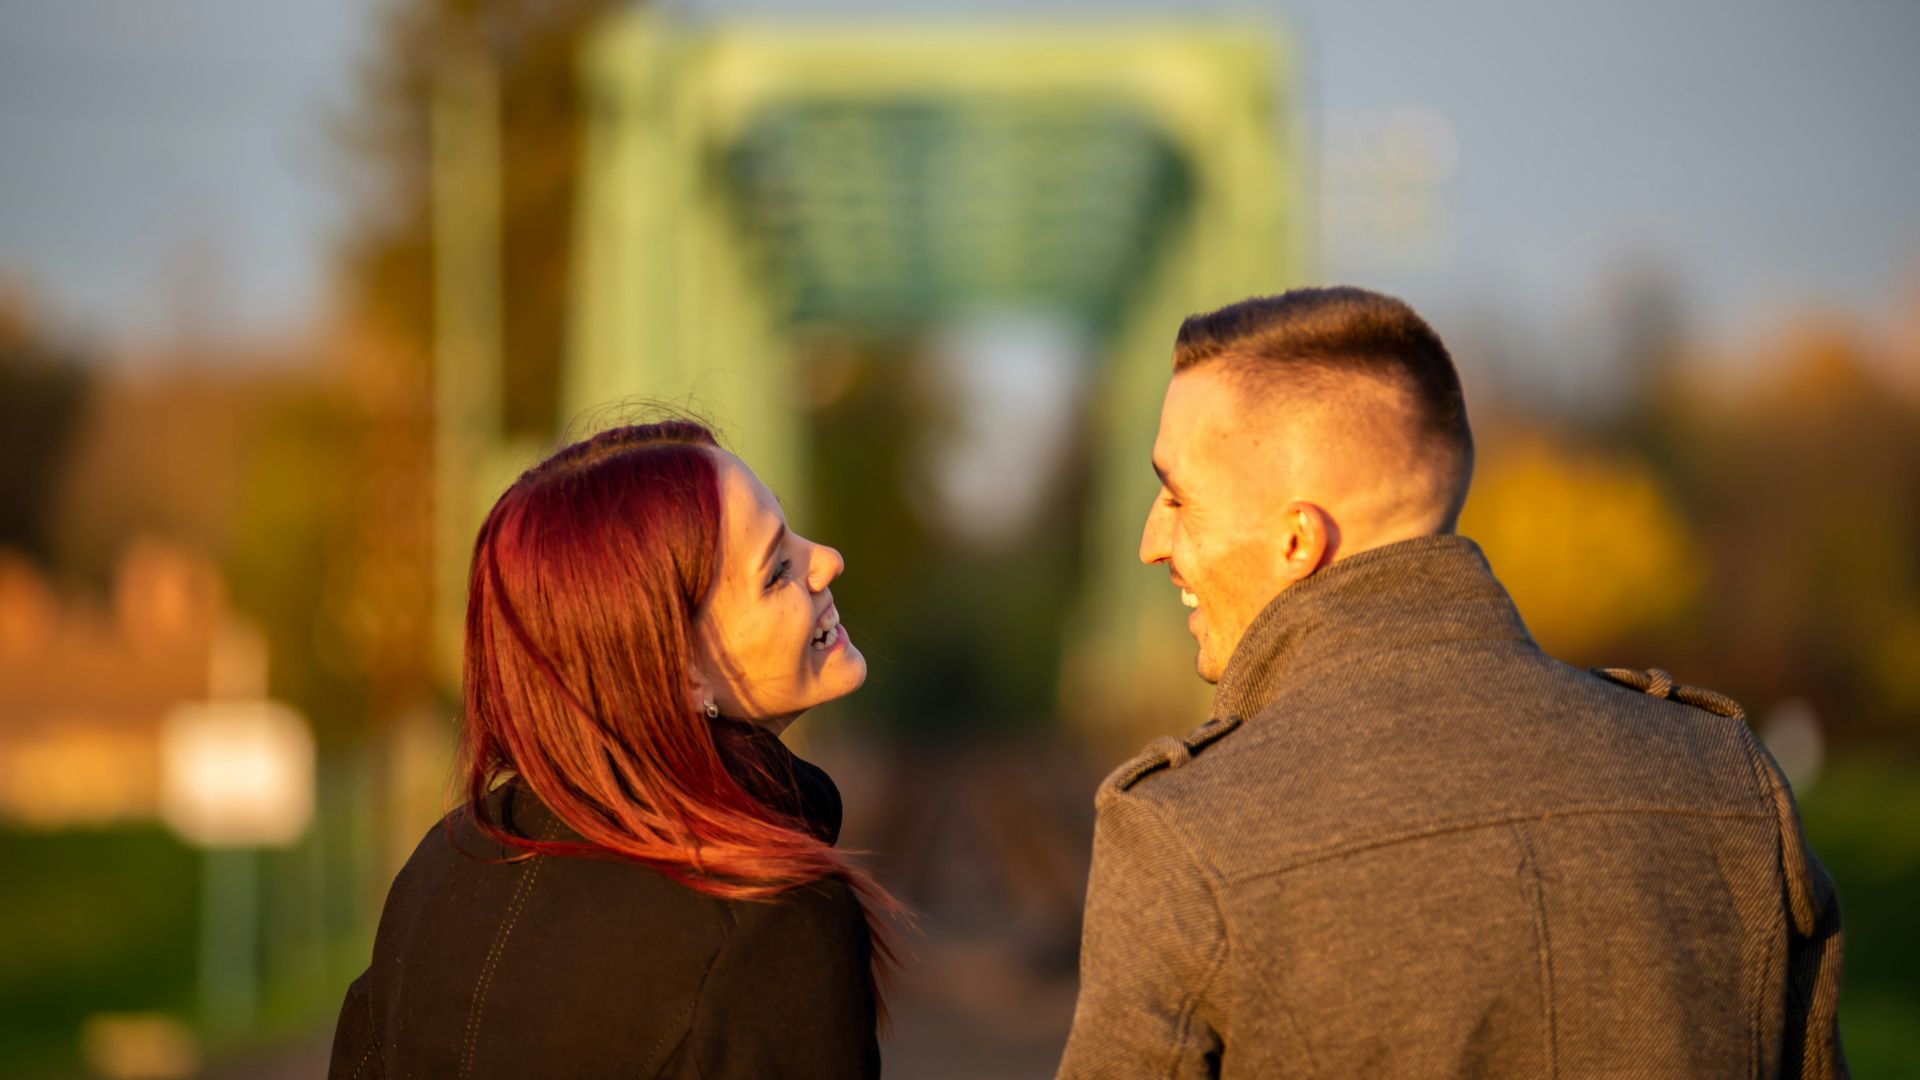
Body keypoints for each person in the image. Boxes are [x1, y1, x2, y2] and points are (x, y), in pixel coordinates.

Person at [1058, 288, 1846, 1078]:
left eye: (1177, 497)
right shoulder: (1726, 781)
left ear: (1298, 539)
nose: (1150, 541)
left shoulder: (1185, 837)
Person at [329, 420, 898, 1079]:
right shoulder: (772, 921)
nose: (825, 559)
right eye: (777, 572)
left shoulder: (437, 872)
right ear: (677, 673)